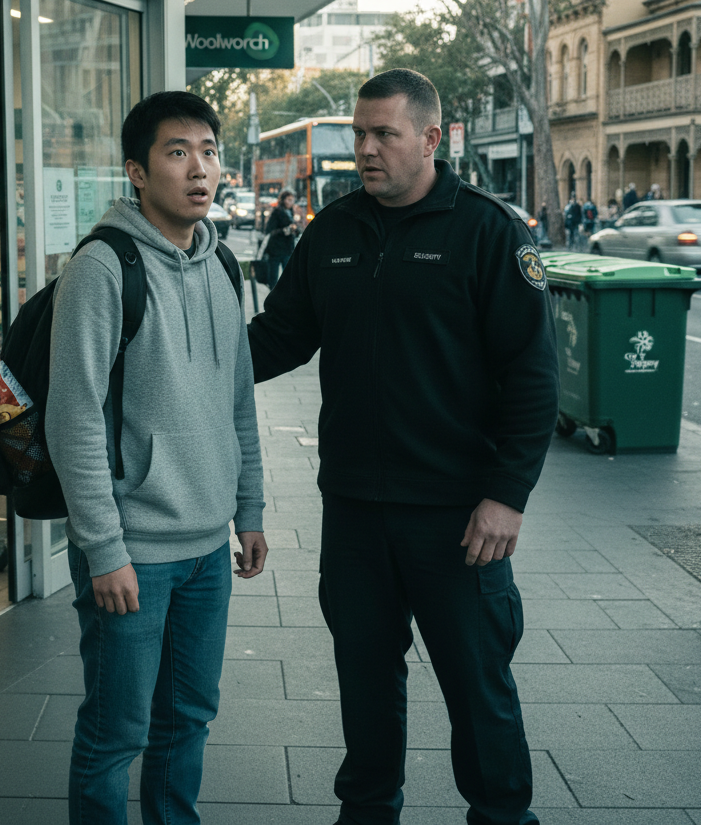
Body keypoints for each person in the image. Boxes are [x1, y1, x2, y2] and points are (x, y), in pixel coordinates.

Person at [247, 69, 558, 825]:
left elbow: (533, 374)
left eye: (383, 133)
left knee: (477, 688)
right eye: (358, 133)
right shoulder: (335, 231)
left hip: (457, 517)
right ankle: (368, 813)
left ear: (431, 137)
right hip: (354, 508)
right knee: (364, 680)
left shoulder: (488, 231)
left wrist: (506, 494)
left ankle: (502, 816)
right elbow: (278, 338)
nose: (365, 149)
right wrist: (182, 362)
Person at [46, 91, 268, 825]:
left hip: (208, 549)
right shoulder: (104, 268)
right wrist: (104, 549)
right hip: (133, 553)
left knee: (188, 720)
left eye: (208, 150)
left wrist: (250, 510)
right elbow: (73, 417)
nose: (199, 169)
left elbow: (238, 402)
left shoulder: (222, 266)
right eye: (178, 153)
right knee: (117, 735)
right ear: (137, 173)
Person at [262, 189, 299, 287]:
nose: (291, 202)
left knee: (288, 275)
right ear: (283, 200)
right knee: (273, 276)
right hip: (276, 249)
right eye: (289, 200)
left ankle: (285, 296)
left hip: (287, 249)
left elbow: (294, 229)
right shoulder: (277, 212)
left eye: (292, 200)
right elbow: (270, 231)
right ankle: (272, 296)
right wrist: (285, 230)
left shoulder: (290, 212)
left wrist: (295, 230)